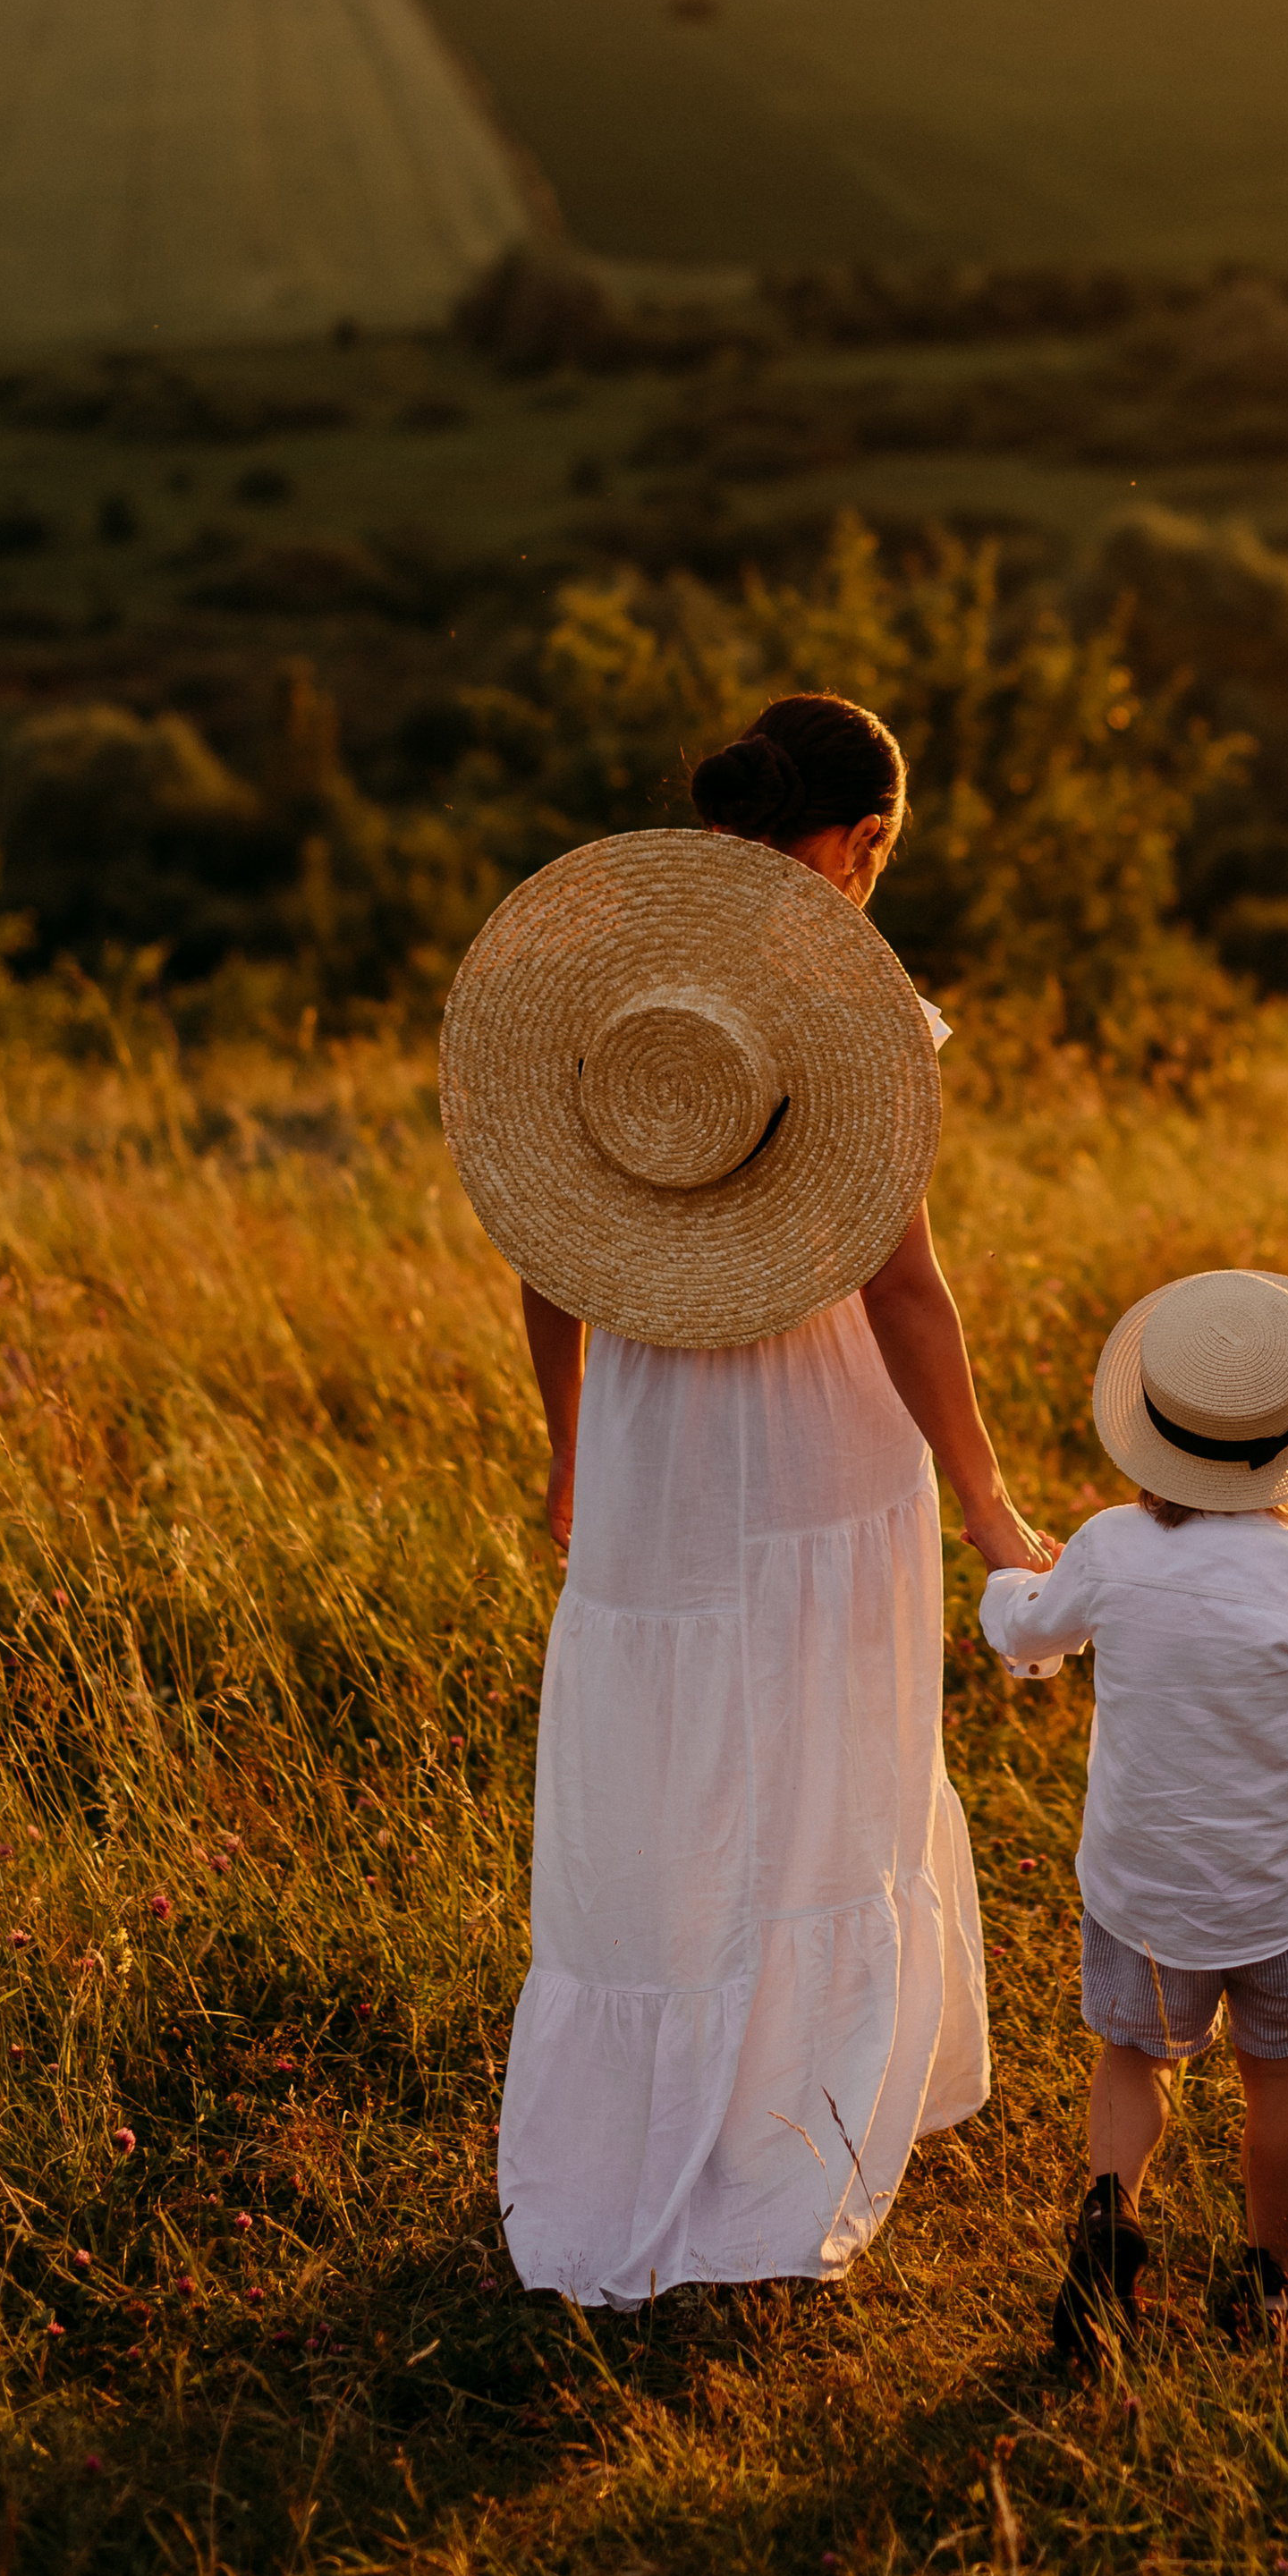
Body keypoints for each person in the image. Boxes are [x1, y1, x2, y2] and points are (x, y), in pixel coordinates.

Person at [437, 692, 1049, 2308]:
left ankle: (642, 2105)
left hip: (651, 1438)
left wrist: (572, 1448)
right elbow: (905, 1289)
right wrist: (987, 1502)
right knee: (817, 1748)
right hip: (815, 1440)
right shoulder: (858, 1006)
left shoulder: (608, 985)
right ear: (860, 844)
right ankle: (798, 2102)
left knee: (665, 1749)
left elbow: (546, 1253)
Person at [978, 1267, 1288, 2360]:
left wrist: (1007, 1585)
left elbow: (1029, 1634)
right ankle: (1271, 2282)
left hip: (1140, 1884)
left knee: (1133, 2061)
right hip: (1276, 1895)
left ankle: (1109, 2214)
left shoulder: (1111, 1547)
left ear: (1151, 1427)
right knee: (1280, 2081)